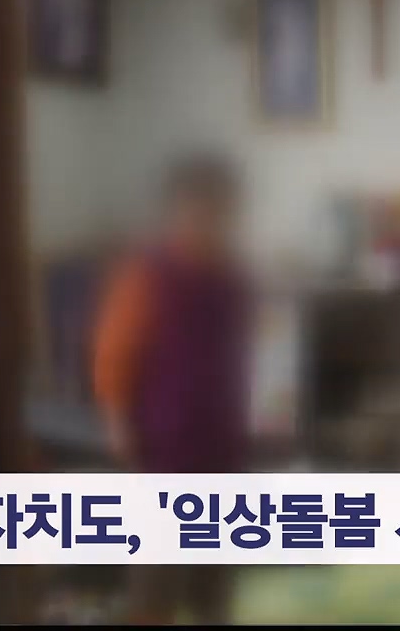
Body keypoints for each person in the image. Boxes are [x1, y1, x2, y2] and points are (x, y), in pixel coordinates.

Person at [92, 151, 250, 625]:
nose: (206, 223)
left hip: (219, 443)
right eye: (195, 211)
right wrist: (117, 421)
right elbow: (114, 354)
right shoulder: (146, 275)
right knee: (157, 565)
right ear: (174, 212)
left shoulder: (232, 277)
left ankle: (210, 609)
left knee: (215, 564)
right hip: (162, 445)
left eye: (217, 211)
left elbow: (240, 354)